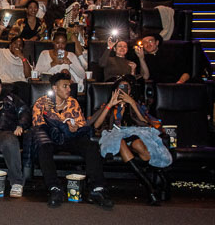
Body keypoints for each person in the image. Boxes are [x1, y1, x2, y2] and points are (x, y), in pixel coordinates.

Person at [31, 72, 113, 209]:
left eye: (69, 86)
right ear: (55, 88)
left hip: (71, 137)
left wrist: (75, 128)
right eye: (65, 86)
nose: (69, 89)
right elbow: (37, 124)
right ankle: (54, 188)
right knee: (44, 147)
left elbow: (81, 123)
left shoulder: (73, 102)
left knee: (91, 146)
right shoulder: (42, 103)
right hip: (52, 138)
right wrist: (54, 118)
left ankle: (97, 189)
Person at [89, 75, 172, 205]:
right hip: (116, 138)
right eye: (121, 88)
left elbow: (145, 122)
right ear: (115, 90)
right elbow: (96, 125)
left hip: (134, 134)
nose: (124, 91)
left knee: (139, 145)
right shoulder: (108, 105)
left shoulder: (135, 104)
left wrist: (132, 103)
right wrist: (110, 105)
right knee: (120, 142)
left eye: (126, 88)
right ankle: (150, 189)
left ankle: (158, 178)